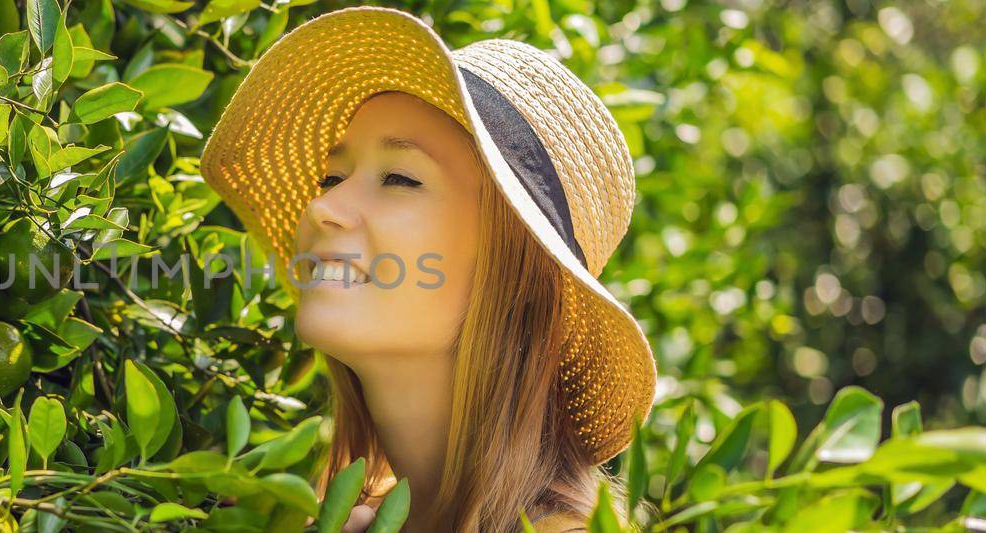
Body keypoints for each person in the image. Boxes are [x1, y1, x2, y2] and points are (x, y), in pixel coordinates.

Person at [201, 7, 657, 532]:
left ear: (514, 271)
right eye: (330, 178)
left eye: (398, 177)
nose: (320, 208)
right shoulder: (332, 515)